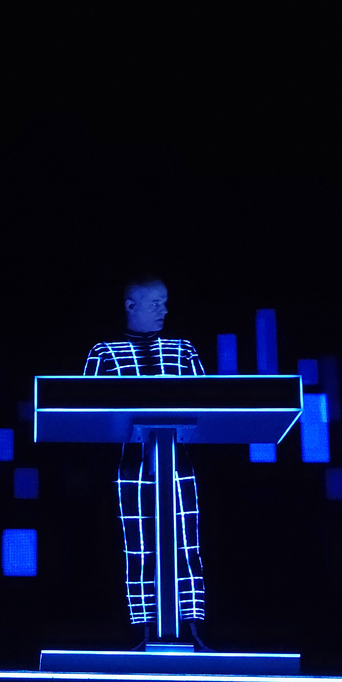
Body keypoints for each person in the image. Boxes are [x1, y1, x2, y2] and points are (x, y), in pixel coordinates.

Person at [83, 277, 210, 648]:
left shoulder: (183, 349)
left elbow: (209, 403)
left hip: (178, 463)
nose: (164, 310)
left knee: (186, 543)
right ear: (130, 305)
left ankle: (191, 628)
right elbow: (85, 410)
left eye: (165, 302)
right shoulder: (104, 352)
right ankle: (142, 629)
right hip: (131, 464)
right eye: (155, 302)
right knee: (137, 547)